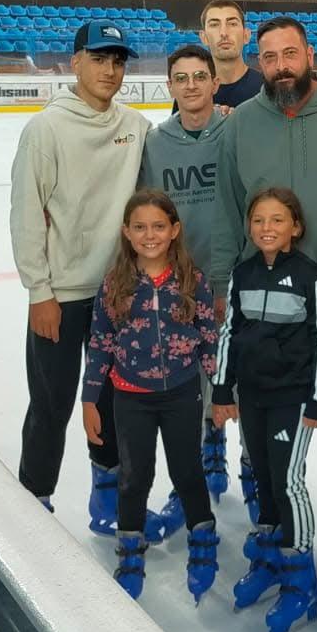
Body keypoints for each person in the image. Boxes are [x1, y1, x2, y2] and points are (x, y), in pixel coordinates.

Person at [210, 16, 317, 562]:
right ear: (258, 62)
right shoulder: (240, 126)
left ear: (310, 54)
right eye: (269, 57)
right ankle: (272, 509)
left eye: (290, 54)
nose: (280, 67)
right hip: (266, 305)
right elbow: (229, 210)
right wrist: (224, 285)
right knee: (268, 411)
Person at [10, 20, 149, 534]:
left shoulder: (135, 126)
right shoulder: (45, 129)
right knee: (51, 404)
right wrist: (39, 291)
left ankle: (106, 497)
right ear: (75, 63)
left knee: (112, 399)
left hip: (116, 295)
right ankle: (35, 502)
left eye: (118, 61)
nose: (110, 70)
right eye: (99, 59)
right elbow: (26, 213)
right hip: (61, 297)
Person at [211, 187, 317, 632]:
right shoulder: (242, 274)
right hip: (254, 395)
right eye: (259, 220)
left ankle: (301, 576)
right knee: (261, 474)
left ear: (295, 228)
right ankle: (268, 554)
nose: (267, 228)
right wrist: (223, 389)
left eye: (278, 220)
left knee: (287, 480)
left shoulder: (313, 278)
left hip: (295, 397)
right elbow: (229, 333)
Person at [83, 190, 221, 605]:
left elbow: (210, 341)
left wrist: (221, 393)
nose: (149, 235)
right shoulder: (116, 285)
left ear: (174, 230)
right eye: (139, 227)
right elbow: (101, 343)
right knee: (133, 477)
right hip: (131, 398)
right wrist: (91, 399)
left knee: (188, 472)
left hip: (181, 393)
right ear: (126, 232)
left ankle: (203, 540)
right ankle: (130, 551)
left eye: (158, 226)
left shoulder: (192, 282)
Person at [139, 44, 230, 512]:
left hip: (234, 280)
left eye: (200, 76)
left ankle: (252, 470)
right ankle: (197, 464)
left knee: (240, 378)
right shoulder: (155, 142)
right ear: (170, 86)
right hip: (181, 287)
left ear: (216, 83)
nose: (191, 85)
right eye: (181, 78)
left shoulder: (236, 130)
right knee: (188, 382)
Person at [198, 0, 263, 110]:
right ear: (203, 37)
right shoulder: (192, 93)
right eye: (214, 25)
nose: (224, 33)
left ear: (246, 35)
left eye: (232, 24)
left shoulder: (267, 89)